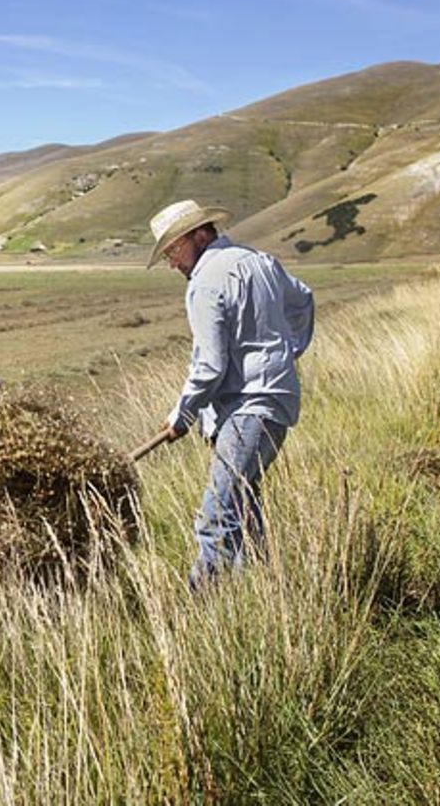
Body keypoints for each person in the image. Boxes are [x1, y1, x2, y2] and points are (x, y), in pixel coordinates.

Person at [147, 200, 314, 590]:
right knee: (243, 504)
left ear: (199, 235)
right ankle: (259, 595)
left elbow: (210, 365)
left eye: (173, 250)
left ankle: (198, 605)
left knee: (217, 515)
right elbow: (303, 299)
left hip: (248, 409)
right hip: (276, 402)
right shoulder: (260, 261)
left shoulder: (205, 282)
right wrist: (284, 355)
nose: (173, 263)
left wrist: (182, 416)